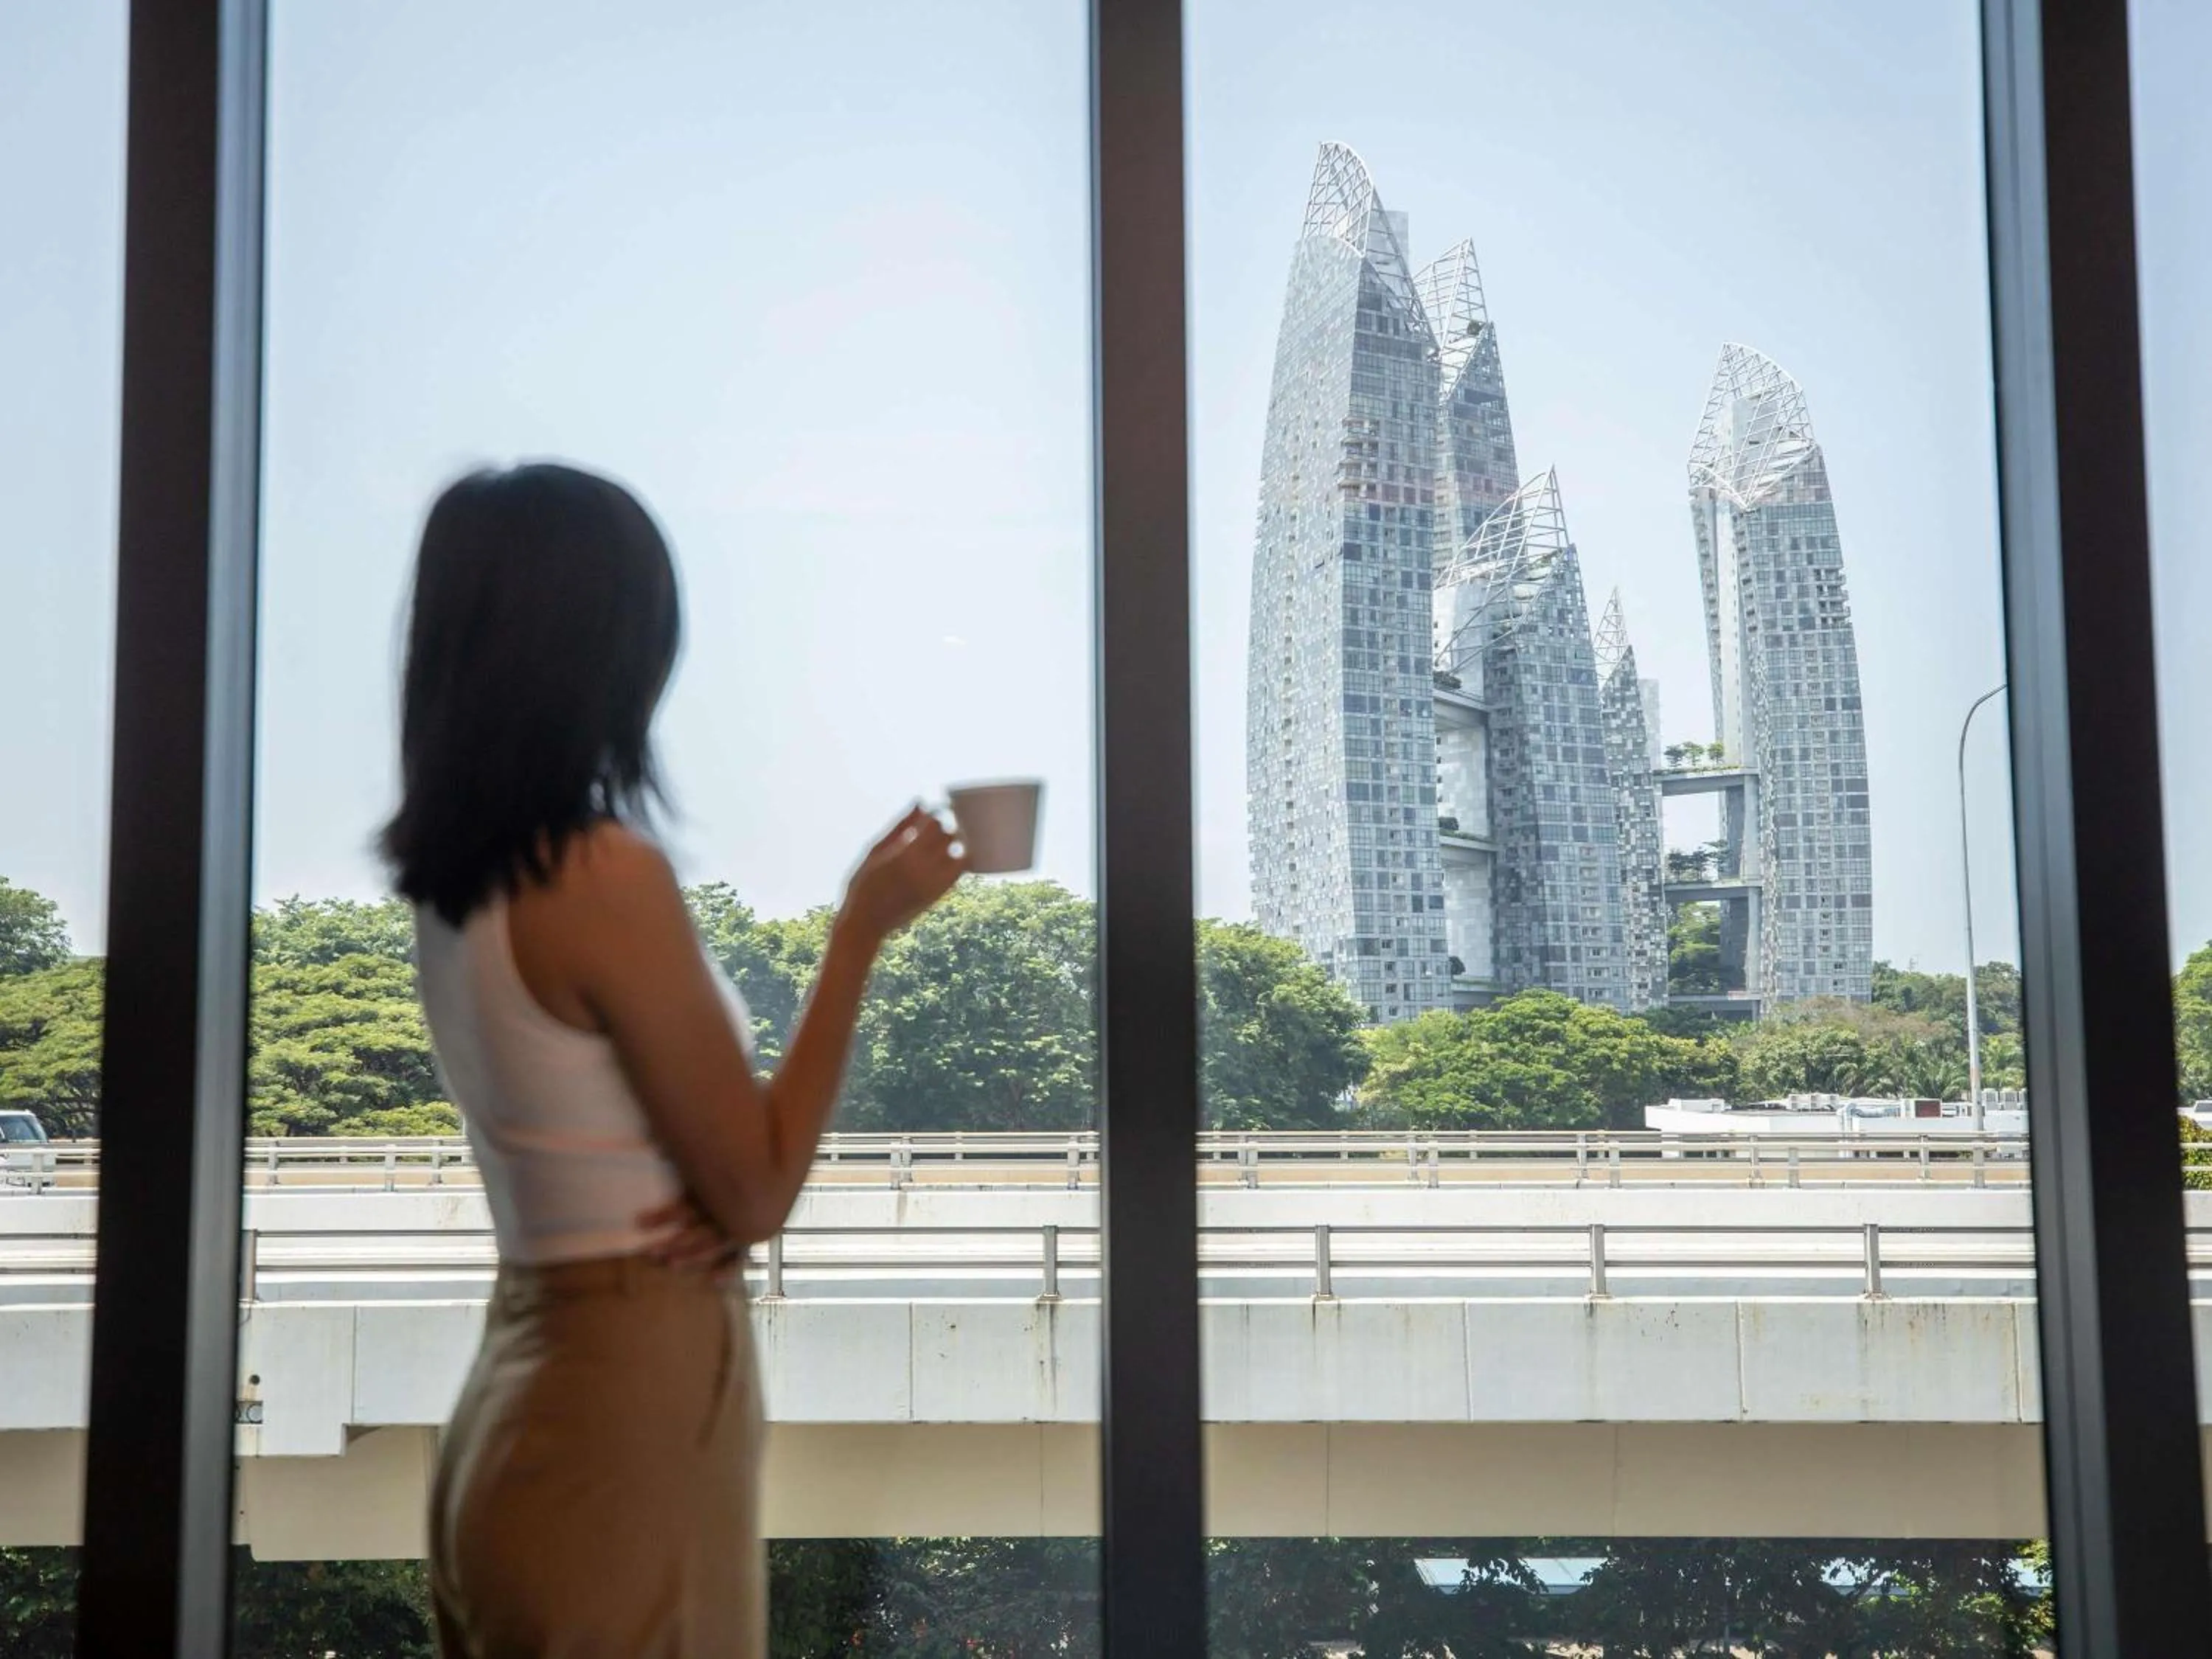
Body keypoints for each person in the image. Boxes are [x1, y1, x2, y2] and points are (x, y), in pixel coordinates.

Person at [382, 462, 962, 1658]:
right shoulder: (599, 876)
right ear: (599, 648)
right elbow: (752, 1189)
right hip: (621, 1402)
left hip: (522, 1380)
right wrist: (861, 929)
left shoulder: (455, 889)